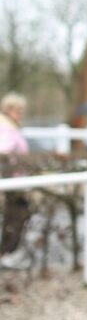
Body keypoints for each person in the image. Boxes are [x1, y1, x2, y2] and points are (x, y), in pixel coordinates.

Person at [0, 92, 31, 260]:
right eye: (18, 110)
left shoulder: (11, 125)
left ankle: (8, 252)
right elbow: (4, 150)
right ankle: (7, 253)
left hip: (15, 179)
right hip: (12, 181)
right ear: (9, 109)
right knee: (15, 216)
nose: (21, 114)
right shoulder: (6, 127)